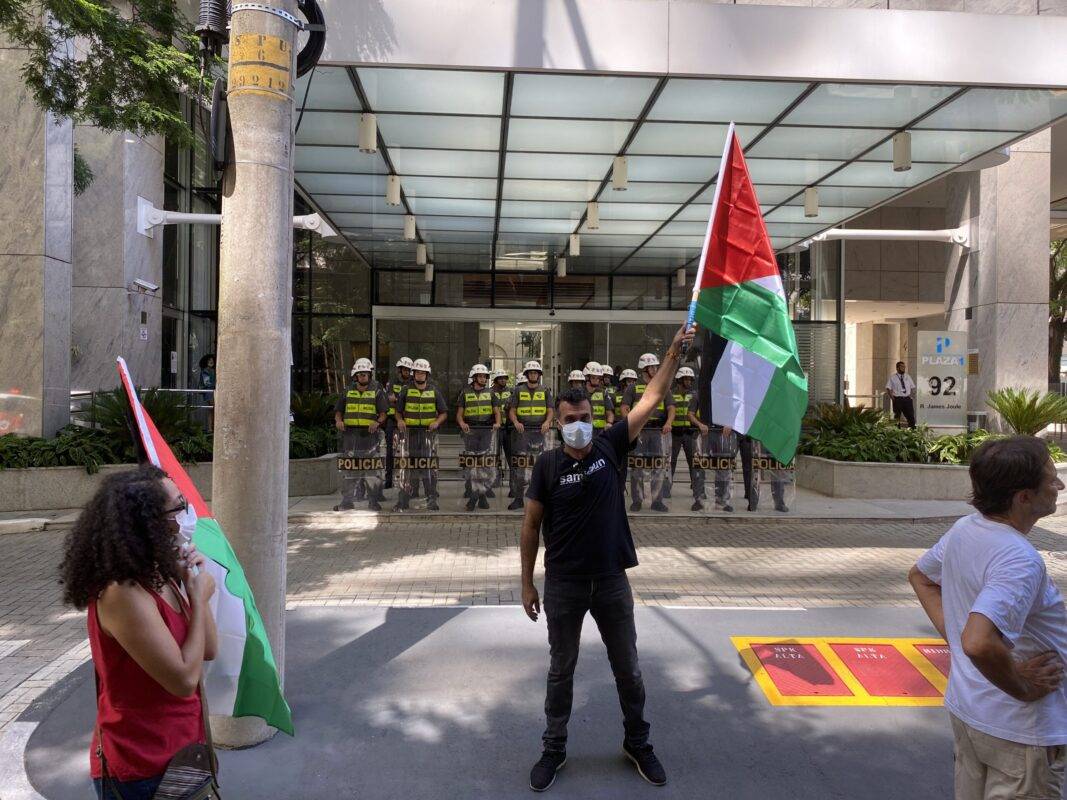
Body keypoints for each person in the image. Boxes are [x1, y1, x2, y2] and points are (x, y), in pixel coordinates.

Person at [521, 323, 694, 793]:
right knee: (561, 670)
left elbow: (652, 398)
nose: (578, 423)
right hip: (564, 585)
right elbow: (531, 526)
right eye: (569, 418)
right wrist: (527, 582)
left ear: (593, 416)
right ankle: (553, 748)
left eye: (584, 416)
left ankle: (638, 743)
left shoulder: (611, 445)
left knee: (628, 669)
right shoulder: (547, 465)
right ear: (558, 422)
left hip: (612, 582)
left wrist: (673, 352)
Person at [909, 436, 1067, 800]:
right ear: (1023, 497)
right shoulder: (1019, 559)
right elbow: (978, 641)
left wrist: (956, 639)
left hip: (972, 716)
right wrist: (1022, 687)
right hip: (1019, 734)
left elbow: (921, 577)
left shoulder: (967, 528)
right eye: (1051, 479)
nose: (1058, 486)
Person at [59, 466, 218, 799]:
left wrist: (191, 587)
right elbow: (183, 681)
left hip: (184, 747)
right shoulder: (123, 593)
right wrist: (200, 600)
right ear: (148, 523)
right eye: (178, 507)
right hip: (142, 766)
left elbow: (209, 649)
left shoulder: (162, 573)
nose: (186, 515)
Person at [620, 354, 675, 513]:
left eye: (656, 367)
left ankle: (657, 501)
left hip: (657, 432)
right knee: (637, 466)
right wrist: (630, 423)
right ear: (644, 369)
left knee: (658, 466)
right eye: (652, 367)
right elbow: (624, 407)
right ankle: (637, 500)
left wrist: (668, 422)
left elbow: (671, 407)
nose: (655, 369)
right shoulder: (633, 388)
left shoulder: (662, 386)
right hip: (639, 432)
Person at [334, 358, 388, 511]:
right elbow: (338, 411)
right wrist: (339, 421)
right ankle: (347, 501)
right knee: (350, 470)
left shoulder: (377, 391)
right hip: (350, 436)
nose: (363, 377)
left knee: (371, 471)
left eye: (365, 374)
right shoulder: (347, 390)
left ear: (369, 375)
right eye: (360, 374)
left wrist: (377, 422)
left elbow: (384, 413)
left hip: (369, 436)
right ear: (355, 375)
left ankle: (373, 501)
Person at [394, 358, 447, 511]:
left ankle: (431, 498)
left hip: (428, 434)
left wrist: (437, 422)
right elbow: (398, 411)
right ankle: (404, 499)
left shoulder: (434, 391)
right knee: (407, 467)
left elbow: (444, 413)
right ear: (413, 374)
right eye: (417, 372)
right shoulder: (405, 390)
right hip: (409, 434)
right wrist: (400, 420)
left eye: (423, 373)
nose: (420, 375)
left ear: (427, 374)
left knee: (428, 467)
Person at [507, 360, 555, 512]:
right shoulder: (518, 390)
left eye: (535, 373)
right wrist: (515, 422)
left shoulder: (545, 390)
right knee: (521, 465)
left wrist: (547, 422)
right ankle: (518, 498)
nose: (533, 375)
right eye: (531, 373)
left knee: (539, 464)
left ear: (539, 375)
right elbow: (512, 410)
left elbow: (550, 410)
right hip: (522, 433)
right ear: (527, 375)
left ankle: (540, 498)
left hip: (540, 432)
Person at [457, 364, 501, 511]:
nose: (483, 379)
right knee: (473, 465)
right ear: (474, 377)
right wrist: (462, 423)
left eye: (484, 376)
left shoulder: (491, 393)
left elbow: (497, 412)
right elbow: (459, 414)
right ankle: (481, 497)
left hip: (486, 431)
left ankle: (474, 498)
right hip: (470, 432)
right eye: (480, 376)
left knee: (483, 465)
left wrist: (497, 423)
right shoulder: (465, 393)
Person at [666, 367, 704, 509]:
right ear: (679, 380)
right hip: (674, 434)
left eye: (690, 379)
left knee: (694, 463)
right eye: (686, 379)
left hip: (690, 434)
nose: (689, 382)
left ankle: (698, 491)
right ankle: (666, 489)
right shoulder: (670, 394)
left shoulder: (694, 395)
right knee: (670, 463)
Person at [384, 356, 413, 490]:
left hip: (408, 421)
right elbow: (389, 398)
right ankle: (388, 480)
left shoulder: (413, 383)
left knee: (409, 451)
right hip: (392, 421)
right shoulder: (391, 383)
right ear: (399, 370)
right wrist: (401, 399)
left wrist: (397, 399)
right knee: (390, 451)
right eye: (404, 369)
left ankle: (410, 480)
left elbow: (406, 400)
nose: (406, 371)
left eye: (408, 369)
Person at [491, 370, 514, 494]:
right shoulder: (489, 392)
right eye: (500, 378)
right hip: (494, 430)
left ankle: (513, 487)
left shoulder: (511, 392)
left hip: (509, 429)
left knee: (511, 458)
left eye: (505, 378)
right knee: (494, 457)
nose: (503, 380)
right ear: (495, 380)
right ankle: (493, 483)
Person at [583, 361, 615, 436]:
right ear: (587, 377)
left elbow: (610, 412)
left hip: (600, 432)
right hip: (584, 430)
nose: (596, 380)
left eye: (598, 378)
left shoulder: (603, 393)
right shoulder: (579, 393)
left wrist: (609, 423)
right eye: (593, 377)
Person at [886, 361, 916, 428]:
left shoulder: (908, 376)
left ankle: (912, 431)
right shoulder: (892, 377)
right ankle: (897, 431)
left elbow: (913, 387)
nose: (904, 368)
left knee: (911, 416)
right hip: (898, 399)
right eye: (902, 367)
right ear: (897, 368)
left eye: (904, 367)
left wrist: (911, 396)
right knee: (897, 418)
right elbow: (888, 388)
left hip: (907, 399)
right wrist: (893, 398)